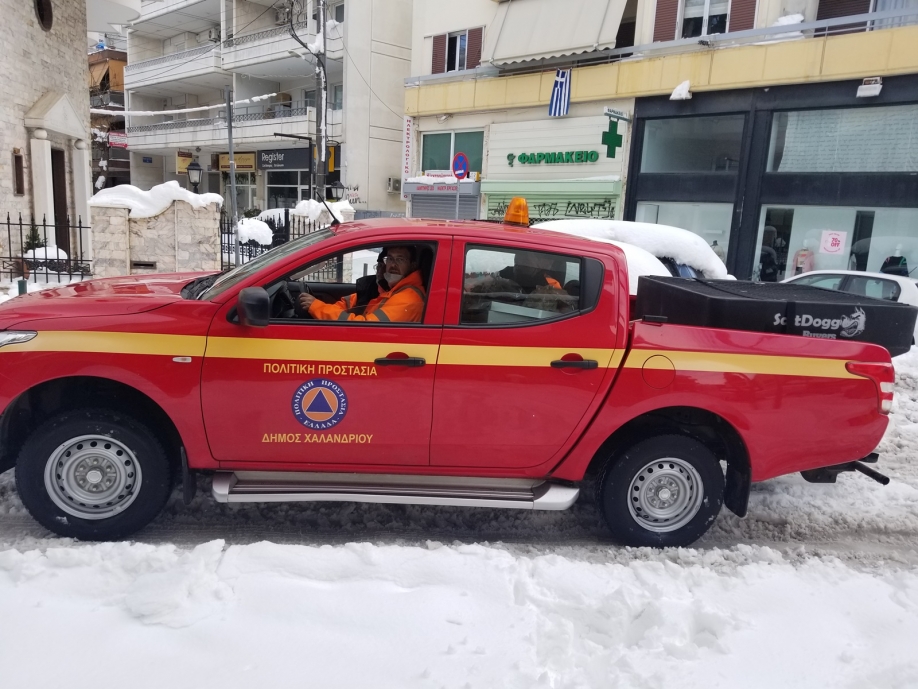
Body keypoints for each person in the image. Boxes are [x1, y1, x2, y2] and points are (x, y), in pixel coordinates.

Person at [299, 245, 426, 322]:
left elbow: (364, 326)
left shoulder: (408, 298)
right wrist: (323, 308)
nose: (392, 265)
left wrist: (317, 308)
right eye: (390, 259)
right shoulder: (392, 289)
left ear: (412, 265)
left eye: (400, 259)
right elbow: (351, 303)